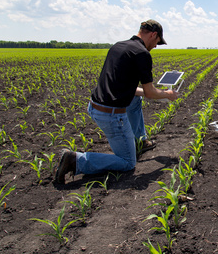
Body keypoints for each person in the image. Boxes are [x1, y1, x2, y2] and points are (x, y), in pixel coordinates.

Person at [55, 19, 178, 184]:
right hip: (111, 115)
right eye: (157, 42)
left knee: (135, 99)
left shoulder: (118, 46)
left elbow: (131, 89)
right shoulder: (142, 54)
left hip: (95, 106)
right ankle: (76, 159)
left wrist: (162, 94)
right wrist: (167, 94)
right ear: (153, 34)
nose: (156, 46)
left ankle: (139, 139)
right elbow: (149, 92)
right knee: (128, 162)